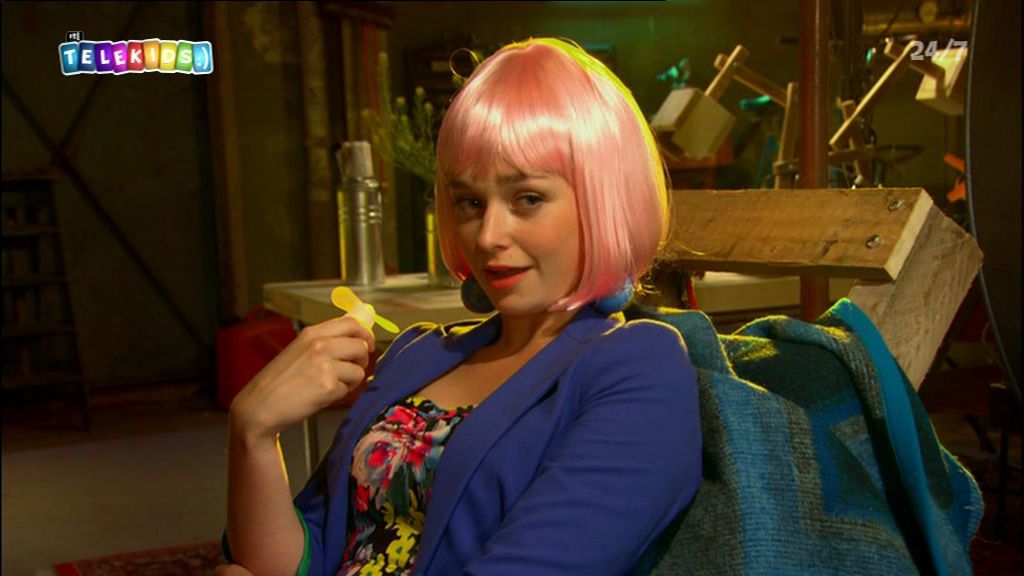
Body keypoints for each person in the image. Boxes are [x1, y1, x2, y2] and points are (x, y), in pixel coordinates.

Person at [219, 37, 701, 576]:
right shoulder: (417, 353)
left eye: (527, 198)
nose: (488, 235)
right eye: (470, 202)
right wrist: (252, 433)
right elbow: (307, 554)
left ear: (603, 199)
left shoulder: (639, 366)